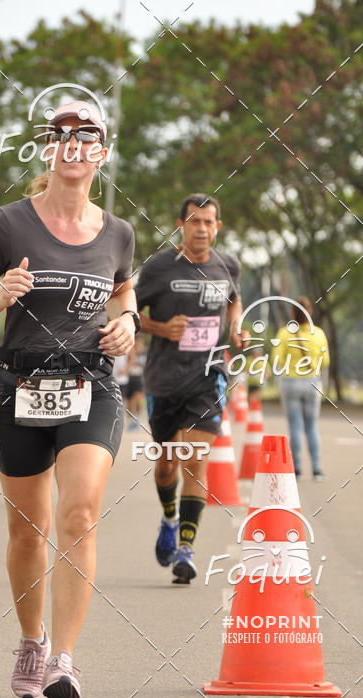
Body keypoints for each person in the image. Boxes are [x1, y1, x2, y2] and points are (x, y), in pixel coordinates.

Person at [0, 100, 138, 698]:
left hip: (92, 384)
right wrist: (1, 293)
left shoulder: (118, 232)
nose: (73, 144)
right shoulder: (8, 225)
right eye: (59, 135)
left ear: (102, 153)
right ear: (46, 148)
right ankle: (31, 641)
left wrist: (130, 320)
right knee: (27, 529)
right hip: (22, 387)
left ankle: (64, 662)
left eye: (87, 135)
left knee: (80, 513)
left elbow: (122, 288)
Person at [136, 193, 246, 584]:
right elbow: (128, 313)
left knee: (194, 460)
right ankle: (169, 518)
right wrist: (161, 329)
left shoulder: (227, 265)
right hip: (164, 378)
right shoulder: (158, 268)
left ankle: (186, 548)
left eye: (209, 222)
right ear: (181, 226)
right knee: (167, 465)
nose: (202, 229)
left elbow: (234, 300)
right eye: (194, 222)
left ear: (218, 227)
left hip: (208, 376)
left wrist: (235, 327)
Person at [273, 296, 329, 480]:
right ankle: (317, 469)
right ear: (310, 312)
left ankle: (296, 468)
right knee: (312, 427)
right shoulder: (318, 333)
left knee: (295, 427)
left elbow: (277, 360)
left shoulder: (284, 333)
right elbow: (326, 361)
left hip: (290, 383)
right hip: (312, 382)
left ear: (292, 313)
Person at [126, 336, 146, 429]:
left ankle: (137, 418)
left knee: (137, 398)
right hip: (129, 378)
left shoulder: (145, 353)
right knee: (129, 402)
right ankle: (133, 419)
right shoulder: (129, 352)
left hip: (139, 378)